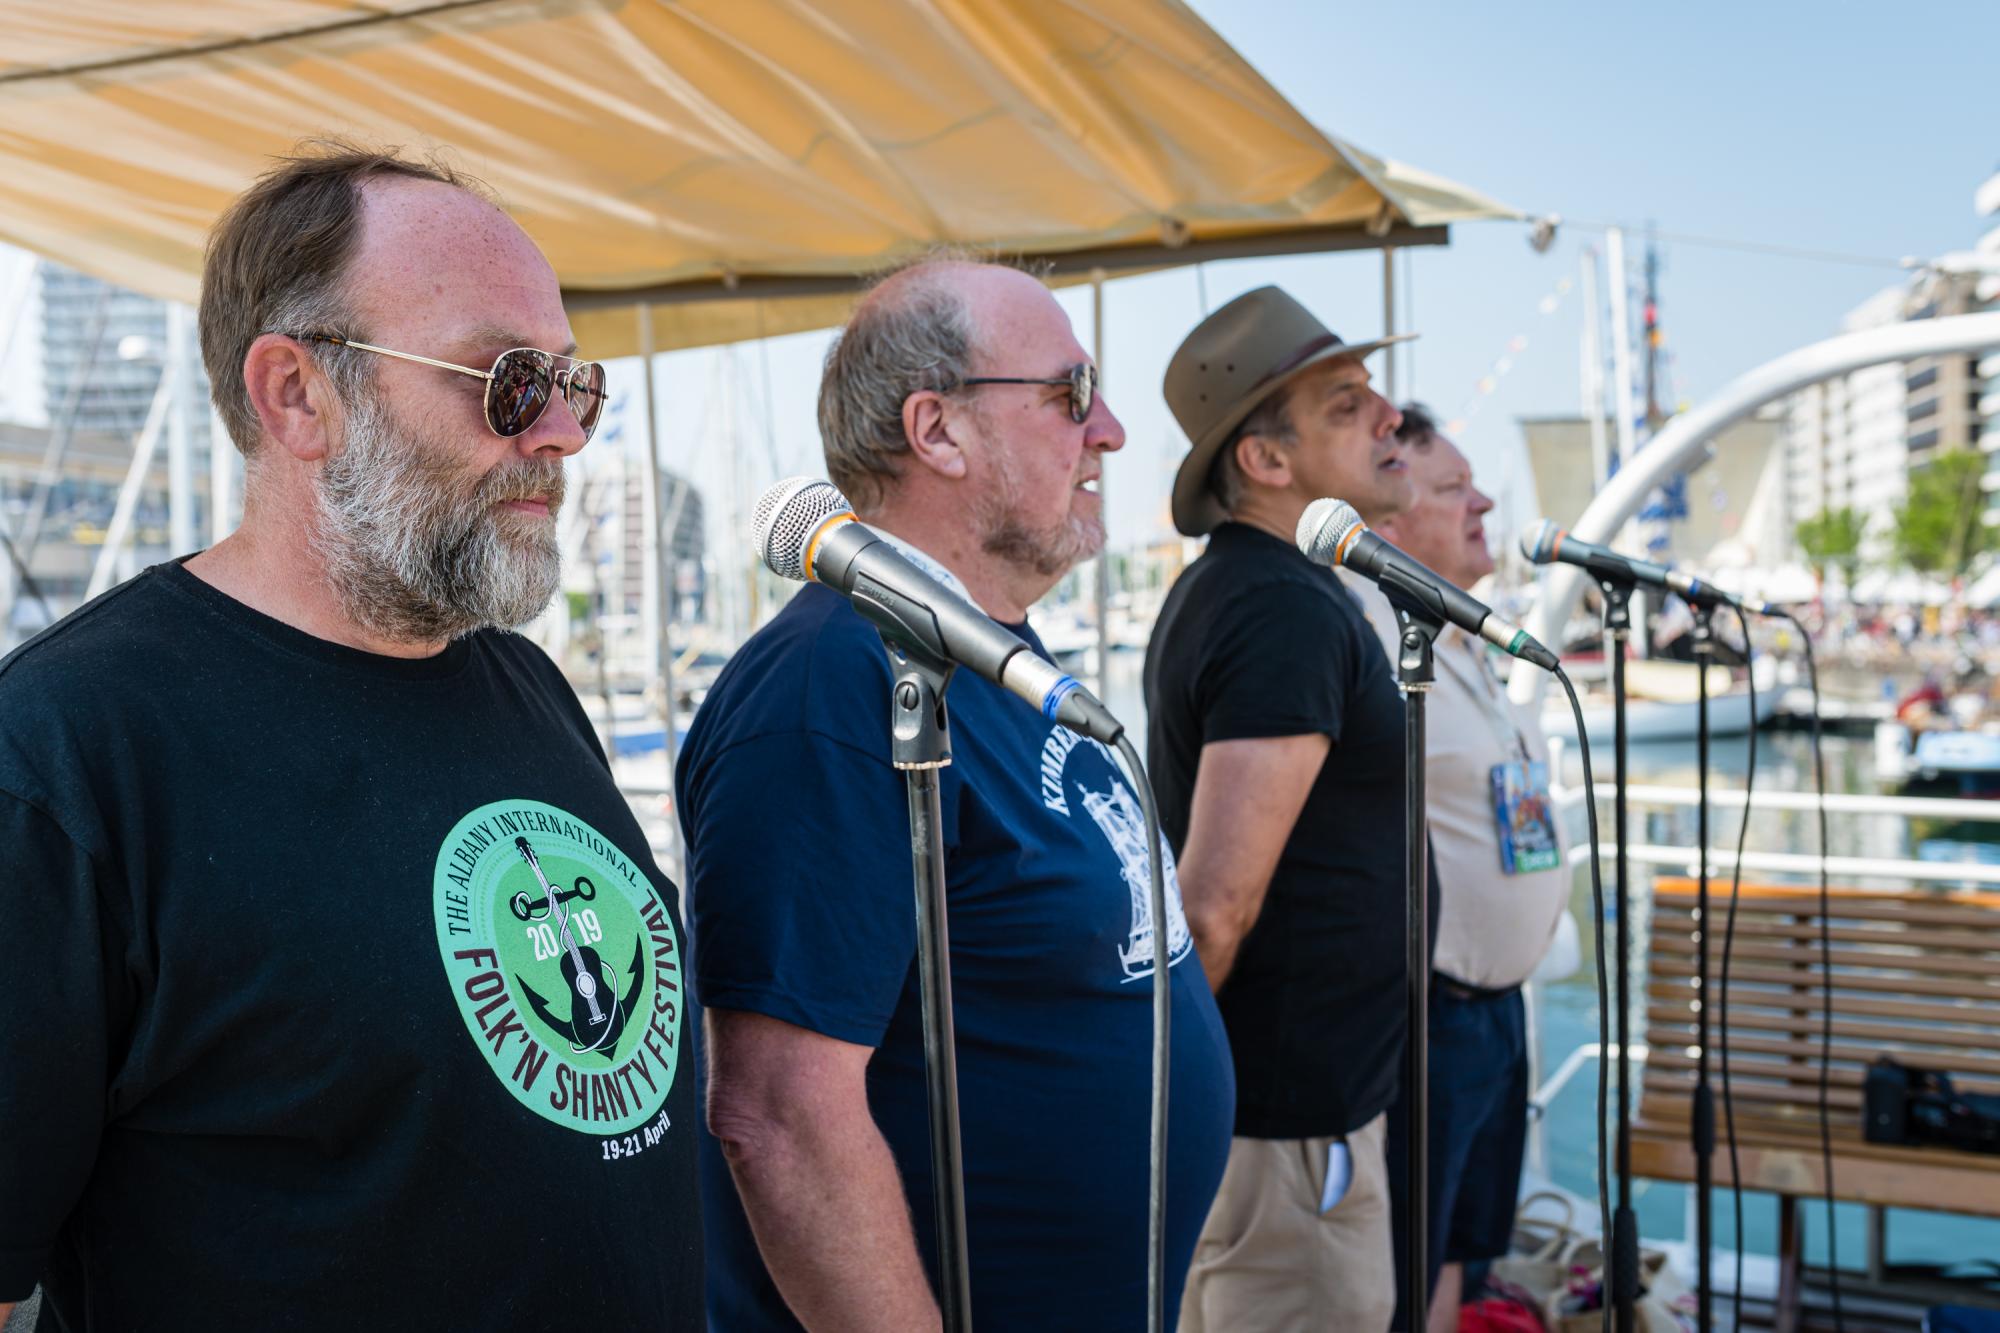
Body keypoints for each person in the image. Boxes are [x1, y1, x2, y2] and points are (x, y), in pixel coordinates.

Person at [0, 143, 702, 1330]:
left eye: (571, 388)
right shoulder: (70, 754)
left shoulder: (524, 683)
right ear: (297, 395)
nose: (562, 436)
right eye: (505, 381)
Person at [678, 256, 1234, 1331]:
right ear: (937, 432)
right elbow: (780, 1113)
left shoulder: (983, 662)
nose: (1110, 430)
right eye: (1070, 393)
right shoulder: (831, 688)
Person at [1144, 284, 1426, 1333]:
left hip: (1299, 1118)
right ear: (1265, 460)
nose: (1389, 416)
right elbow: (1214, 902)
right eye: (1347, 404)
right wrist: (1169, 1099)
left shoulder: (1265, 592)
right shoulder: (1276, 607)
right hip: (1281, 1133)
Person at [1357, 406, 1570, 1333]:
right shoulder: (1371, 639)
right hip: (1430, 1016)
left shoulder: (1466, 635)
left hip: (1499, 1010)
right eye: (1454, 488)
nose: (1484, 501)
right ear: (1388, 518)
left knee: (1462, 1250)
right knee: (1409, 1256)